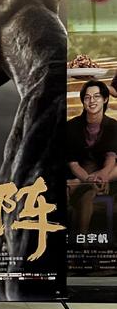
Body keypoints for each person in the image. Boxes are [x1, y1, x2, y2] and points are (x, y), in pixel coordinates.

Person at [66, 79, 117, 233]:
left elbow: (111, 156)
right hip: (80, 172)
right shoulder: (72, 126)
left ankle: (76, 184)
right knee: (87, 193)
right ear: (83, 101)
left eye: (96, 96)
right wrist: (88, 179)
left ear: (105, 99)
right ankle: (81, 241)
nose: (92, 101)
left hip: (104, 174)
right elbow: (73, 163)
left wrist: (103, 175)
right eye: (87, 97)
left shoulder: (112, 125)